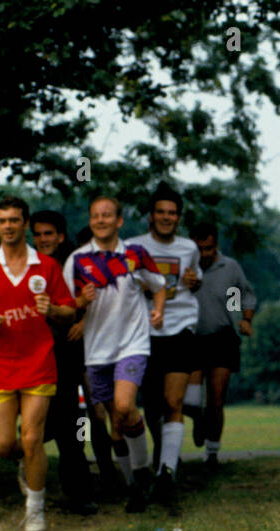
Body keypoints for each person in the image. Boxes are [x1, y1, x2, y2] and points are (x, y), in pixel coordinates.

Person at [0, 197, 77, 531]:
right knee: (3, 447)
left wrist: (52, 310)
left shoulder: (46, 266)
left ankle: (36, 510)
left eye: (14, 220)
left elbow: (70, 310)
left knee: (31, 438)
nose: (8, 226)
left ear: (25, 224)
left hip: (39, 363)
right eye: (2, 221)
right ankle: (26, 465)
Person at [63, 195, 166, 514]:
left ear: (119, 221)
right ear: (91, 221)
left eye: (107, 215)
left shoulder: (136, 254)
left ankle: (139, 477)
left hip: (132, 345)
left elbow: (159, 284)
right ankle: (133, 481)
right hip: (97, 352)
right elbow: (65, 305)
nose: (101, 220)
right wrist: (80, 304)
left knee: (125, 406)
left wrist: (158, 310)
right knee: (114, 422)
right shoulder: (77, 260)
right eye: (96, 216)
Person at [130, 184, 201, 511]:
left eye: (172, 213)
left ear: (179, 217)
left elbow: (194, 280)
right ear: (150, 216)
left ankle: (167, 474)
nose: (166, 217)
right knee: (148, 407)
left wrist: (193, 282)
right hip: (143, 333)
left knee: (174, 401)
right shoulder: (133, 246)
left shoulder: (189, 248)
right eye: (161, 212)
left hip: (180, 329)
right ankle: (142, 474)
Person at [31, 210, 96, 516]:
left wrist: (83, 319)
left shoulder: (76, 263)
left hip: (69, 353)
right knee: (37, 427)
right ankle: (35, 489)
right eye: (38, 234)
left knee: (72, 424)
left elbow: (97, 296)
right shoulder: (29, 266)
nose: (43, 239)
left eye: (49, 234)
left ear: (60, 235)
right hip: (35, 353)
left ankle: (80, 494)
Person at [191, 220, 256, 470]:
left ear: (216, 245)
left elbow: (243, 295)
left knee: (216, 399)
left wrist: (245, 319)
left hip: (222, 337)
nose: (205, 255)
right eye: (200, 250)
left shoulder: (229, 267)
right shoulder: (186, 267)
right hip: (192, 339)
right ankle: (197, 419)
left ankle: (211, 453)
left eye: (209, 249)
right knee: (191, 400)